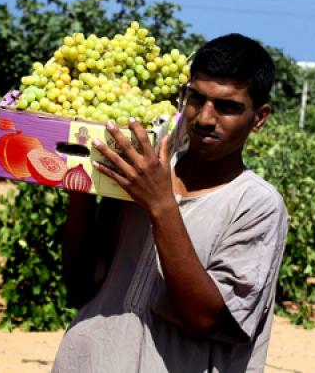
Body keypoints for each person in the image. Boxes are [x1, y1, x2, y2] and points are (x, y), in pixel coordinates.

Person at [52, 34, 289, 373]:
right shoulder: (142, 170)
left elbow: (204, 318)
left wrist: (160, 204)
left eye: (227, 107)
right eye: (196, 99)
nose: (205, 118)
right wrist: (82, 187)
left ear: (259, 117)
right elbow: (79, 285)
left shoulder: (256, 205)